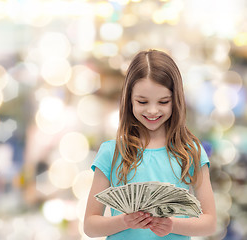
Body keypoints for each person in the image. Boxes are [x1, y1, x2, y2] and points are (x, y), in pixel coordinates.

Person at [83, 49, 216, 239]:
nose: (153, 111)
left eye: (163, 102)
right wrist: (123, 221)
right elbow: (90, 226)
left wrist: (171, 225)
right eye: (142, 101)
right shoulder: (111, 153)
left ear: (175, 100)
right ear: (129, 100)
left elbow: (209, 224)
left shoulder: (190, 152)